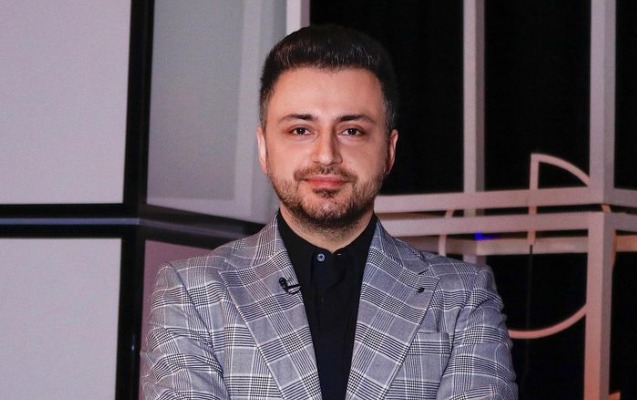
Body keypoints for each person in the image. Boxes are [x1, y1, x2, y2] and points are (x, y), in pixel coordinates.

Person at [142, 25, 517, 400]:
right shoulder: (194, 291)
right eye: (300, 130)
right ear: (264, 148)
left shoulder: (461, 296)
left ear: (389, 150)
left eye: (352, 131)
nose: (326, 155)